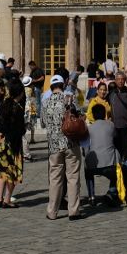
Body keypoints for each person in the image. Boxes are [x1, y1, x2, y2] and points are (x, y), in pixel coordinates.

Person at [40, 75, 83, 220]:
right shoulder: (69, 98)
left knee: (55, 179)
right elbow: (81, 116)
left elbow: (43, 123)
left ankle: (52, 211)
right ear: (63, 84)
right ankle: (73, 211)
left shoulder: (45, 102)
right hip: (71, 143)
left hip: (54, 146)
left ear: (51, 87)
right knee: (73, 177)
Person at [84, 91, 125, 206]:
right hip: (110, 163)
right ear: (104, 114)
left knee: (87, 172)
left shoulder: (89, 129)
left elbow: (86, 148)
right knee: (117, 174)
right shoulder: (111, 125)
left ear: (93, 114)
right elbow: (115, 139)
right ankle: (111, 192)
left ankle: (91, 196)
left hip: (93, 164)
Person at [106, 73, 127, 201]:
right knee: (116, 154)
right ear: (115, 80)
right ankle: (117, 179)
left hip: (126, 128)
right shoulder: (112, 94)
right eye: (118, 79)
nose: (120, 81)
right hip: (114, 129)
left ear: (125, 81)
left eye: (122, 79)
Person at [0, 79, 26, 207]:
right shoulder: (17, 108)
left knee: (2, 171)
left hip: (1, 142)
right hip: (13, 144)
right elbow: (20, 129)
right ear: (20, 93)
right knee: (12, 172)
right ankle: (7, 200)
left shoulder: (3, 104)